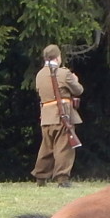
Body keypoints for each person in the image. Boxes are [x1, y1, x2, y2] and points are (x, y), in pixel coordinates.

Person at [30, 44, 84, 188]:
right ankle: (62, 179)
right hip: (62, 115)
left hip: (46, 116)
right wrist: (76, 80)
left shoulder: (39, 75)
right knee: (64, 147)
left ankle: (40, 178)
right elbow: (78, 90)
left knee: (46, 147)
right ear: (58, 57)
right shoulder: (63, 73)